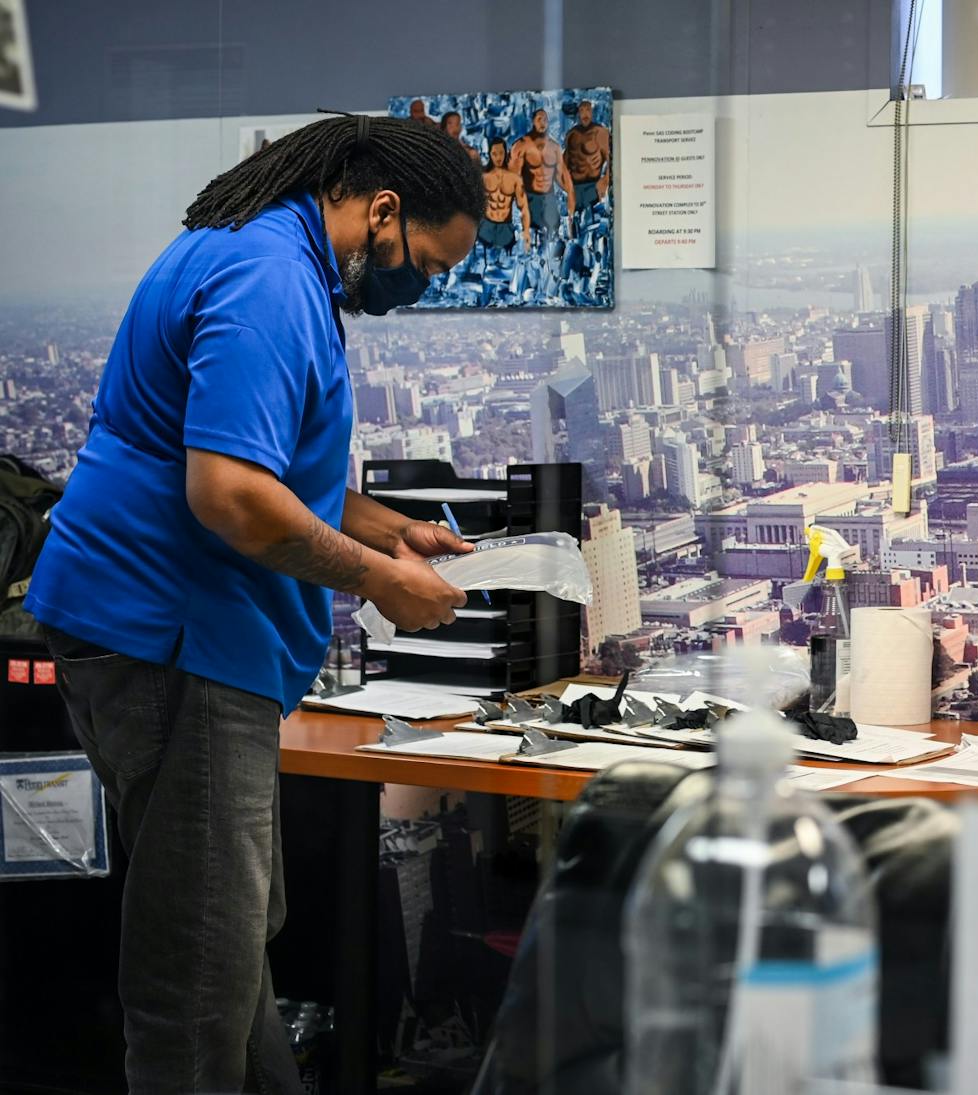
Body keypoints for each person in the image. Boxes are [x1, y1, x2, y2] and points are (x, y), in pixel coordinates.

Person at [23, 113, 483, 1095]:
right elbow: (229, 493)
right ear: (383, 210)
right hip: (174, 640)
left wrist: (389, 532)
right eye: (427, 266)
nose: (421, 289)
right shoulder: (269, 280)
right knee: (195, 970)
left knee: (230, 941)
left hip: (168, 629)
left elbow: (264, 467)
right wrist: (380, 582)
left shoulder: (262, 253)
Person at [508, 108, 574, 246]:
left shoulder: (554, 148)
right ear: (533, 121)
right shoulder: (521, 146)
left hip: (549, 198)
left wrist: (571, 195)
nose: (542, 123)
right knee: (532, 243)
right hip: (530, 198)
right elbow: (513, 179)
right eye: (539, 119)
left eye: (545, 120)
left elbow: (560, 176)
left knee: (553, 240)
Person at [479, 136, 529, 265]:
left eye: (501, 153)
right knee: (486, 265)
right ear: (490, 154)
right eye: (494, 154)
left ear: (505, 153)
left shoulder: (515, 179)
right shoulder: (483, 178)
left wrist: (526, 232)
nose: (498, 157)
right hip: (486, 226)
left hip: (506, 227)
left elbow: (523, 207)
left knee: (508, 266)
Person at [563, 99, 611, 216]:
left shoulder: (601, 133)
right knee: (574, 229)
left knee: (592, 226)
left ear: (592, 112)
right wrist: (566, 186)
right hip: (574, 189)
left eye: (588, 110)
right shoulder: (571, 134)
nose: (585, 114)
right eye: (582, 110)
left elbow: (612, 161)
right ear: (578, 113)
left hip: (593, 187)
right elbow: (564, 163)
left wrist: (605, 180)